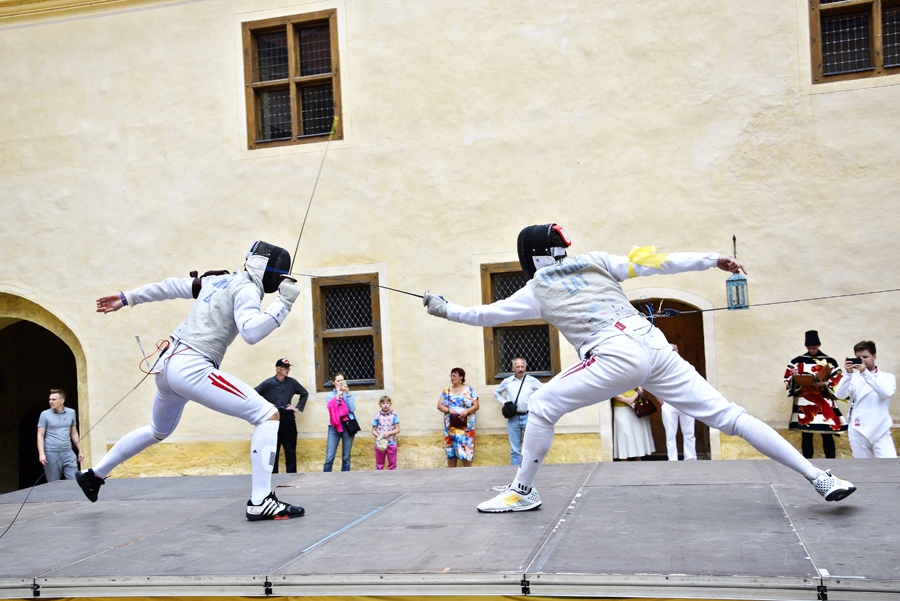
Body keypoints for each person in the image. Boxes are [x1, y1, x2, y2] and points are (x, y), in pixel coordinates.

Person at [424, 223, 856, 512]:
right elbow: (655, 260)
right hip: (654, 344)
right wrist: (711, 259)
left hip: (614, 353)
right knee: (731, 416)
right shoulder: (598, 259)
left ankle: (522, 492)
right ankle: (819, 477)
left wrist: (443, 309)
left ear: (532, 256)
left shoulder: (537, 288)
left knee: (541, 406)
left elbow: (485, 315)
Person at [77, 241, 305, 521]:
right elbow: (250, 333)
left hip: (165, 366)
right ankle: (260, 501)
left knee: (157, 431)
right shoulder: (246, 289)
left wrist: (127, 298)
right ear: (268, 269)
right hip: (192, 367)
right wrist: (283, 303)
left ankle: (94, 475)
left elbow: (171, 286)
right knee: (267, 414)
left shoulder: (218, 279)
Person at [784, 330, 846, 459]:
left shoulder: (830, 362)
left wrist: (825, 384)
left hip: (824, 402)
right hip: (805, 402)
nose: (812, 350)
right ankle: (808, 463)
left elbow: (839, 380)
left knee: (827, 433)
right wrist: (794, 377)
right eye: (809, 348)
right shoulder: (797, 361)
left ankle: (832, 462)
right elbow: (787, 380)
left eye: (814, 348)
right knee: (806, 434)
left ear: (819, 345)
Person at [835, 341, 897, 458]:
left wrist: (865, 373)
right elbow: (840, 395)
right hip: (858, 428)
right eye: (859, 357)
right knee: (862, 467)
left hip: (881, 428)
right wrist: (848, 375)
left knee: (889, 464)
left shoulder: (887, 377)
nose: (862, 360)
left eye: (865, 357)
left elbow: (885, 393)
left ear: (874, 356)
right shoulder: (853, 378)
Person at [255, 358, 309, 473]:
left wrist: (296, 408)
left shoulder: (292, 382)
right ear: (278, 369)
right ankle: (273, 477)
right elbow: (254, 394)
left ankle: (291, 476)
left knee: (290, 450)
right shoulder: (269, 383)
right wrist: (267, 405)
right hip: (274, 419)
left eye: (288, 367)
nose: (288, 370)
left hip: (288, 419)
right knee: (273, 450)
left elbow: (304, 393)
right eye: (285, 368)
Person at [493, 358, 543, 465]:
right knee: (515, 449)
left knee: (532, 446)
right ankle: (515, 472)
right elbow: (496, 392)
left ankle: (531, 469)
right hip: (513, 418)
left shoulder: (532, 380)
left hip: (528, 416)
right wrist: (505, 402)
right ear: (513, 368)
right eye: (518, 367)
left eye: (522, 366)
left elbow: (544, 391)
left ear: (525, 367)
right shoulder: (507, 381)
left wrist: (535, 404)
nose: (520, 369)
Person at [37, 389, 84, 482]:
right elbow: (40, 435)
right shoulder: (45, 414)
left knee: (74, 481)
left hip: (68, 452)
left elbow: (74, 433)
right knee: (53, 483)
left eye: (54, 399)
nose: (51, 402)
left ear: (62, 401)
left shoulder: (71, 412)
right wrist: (41, 454)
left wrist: (80, 451)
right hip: (51, 452)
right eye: (50, 399)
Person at [660, 344, 697, 461]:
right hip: (669, 403)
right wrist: (663, 404)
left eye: (673, 350)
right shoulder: (661, 368)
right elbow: (655, 386)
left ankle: (690, 458)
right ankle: (672, 459)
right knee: (670, 434)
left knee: (689, 433)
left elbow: (693, 382)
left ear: (677, 351)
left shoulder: (685, 365)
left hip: (686, 402)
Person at [438, 367, 479, 467]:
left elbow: (476, 405)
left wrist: (467, 411)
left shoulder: (469, 389)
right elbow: (439, 405)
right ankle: (451, 474)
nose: (452, 378)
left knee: (467, 449)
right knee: (451, 450)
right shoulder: (446, 390)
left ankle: (468, 473)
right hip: (450, 427)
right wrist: (449, 410)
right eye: (451, 376)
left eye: (454, 376)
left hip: (466, 427)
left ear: (461, 377)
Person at [324, 372, 357, 472]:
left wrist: (348, 394)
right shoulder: (330, 396)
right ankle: (325, 478)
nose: (340, 383)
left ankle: (345, 479)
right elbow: (332, 409)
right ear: (333, 383)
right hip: (334, 427)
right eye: (338, 381)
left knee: (346, 457)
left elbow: (352, 408)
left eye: (342, 380)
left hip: (347, 426)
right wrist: (338, 397)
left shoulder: (349, 394)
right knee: (329, 457)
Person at [611, 387, 655, 461]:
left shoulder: (634, 375)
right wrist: (628, 401)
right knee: (623, 432)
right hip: (620, 407)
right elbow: (612, 391)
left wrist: (632, 398)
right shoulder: (614, 376)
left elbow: (641, 388)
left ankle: (638, 456)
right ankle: (624, 457)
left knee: (637, 432)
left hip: (636, 407)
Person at [372, 395, 401, 470]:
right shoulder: (377, 416)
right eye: (383, 403)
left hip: (391, 442)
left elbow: (398, 429)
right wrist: (379, 435)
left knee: (392, 463)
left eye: (387, 403)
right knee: (379, 463)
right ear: (380, 405)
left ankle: (392, 477)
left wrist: (389, 433)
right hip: (380, 443)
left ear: (390, 404)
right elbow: (373, 430)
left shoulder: (394, 416)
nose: (385, 405)